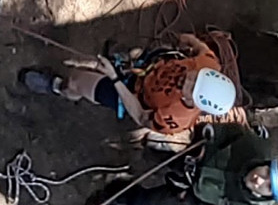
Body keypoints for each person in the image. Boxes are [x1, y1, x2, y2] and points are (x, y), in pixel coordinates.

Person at [19, 35, 237, 136]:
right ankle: (125, 60)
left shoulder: (175, 119)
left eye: (191, 86)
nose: (188, 77)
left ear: (195, 102)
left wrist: (115, 79)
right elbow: (199, 47)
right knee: (142, 53)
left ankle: (58, 86)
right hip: (150, 67)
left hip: (133, 96)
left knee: (78, 80)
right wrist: (186, 40)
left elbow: (141, 116)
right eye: (196, 76)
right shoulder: (209, 64)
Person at [90, 123, 278, 205]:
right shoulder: (253, 146)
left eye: (268, 187)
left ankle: (116, 195)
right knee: (154, 151)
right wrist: (208, 134)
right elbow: (226, 130)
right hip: (194, 155)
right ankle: (131, 159)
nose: (259, 180)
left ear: (268, 197)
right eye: (266, 172)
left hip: (194, 196)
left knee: (149, 202)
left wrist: (186, 192)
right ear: (267, 163)